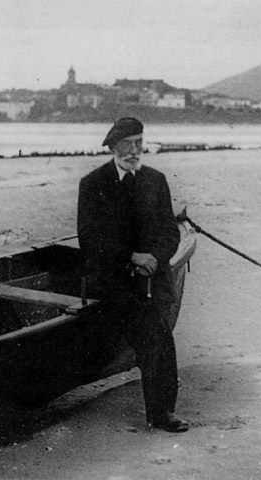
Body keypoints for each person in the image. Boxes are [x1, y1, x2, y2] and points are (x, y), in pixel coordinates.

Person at [77, 117, 189, 433]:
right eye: (127, 144)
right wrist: (131, 256)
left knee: (159, 336)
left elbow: (170, 231)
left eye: (139, 143)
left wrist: (156, 257)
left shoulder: (156, 180)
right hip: (113, 281)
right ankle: (160, 413)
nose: (134, 150)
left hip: (153, 277)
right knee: (154, 333)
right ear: (113, 147)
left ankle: (161, 411)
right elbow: (90, 240)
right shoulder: (93, 184)